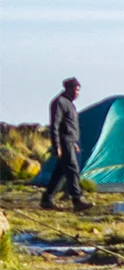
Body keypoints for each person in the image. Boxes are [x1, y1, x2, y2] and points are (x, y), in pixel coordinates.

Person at [40, 77, 87, 211]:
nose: (77, 93)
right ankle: (77, 200)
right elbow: (55, 125)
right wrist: (57, 146)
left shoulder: (70, 104)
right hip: (64, 141)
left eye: (79, 90)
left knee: (60, 171)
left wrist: (74, 143)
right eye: (76, 90)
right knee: (72, 169)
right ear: (68, 88)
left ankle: (47, 198)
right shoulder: (59, 102)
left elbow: (69, 125)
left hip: (70, 141)